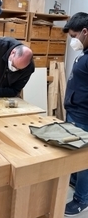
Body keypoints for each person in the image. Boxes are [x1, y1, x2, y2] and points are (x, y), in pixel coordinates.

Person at [63, 12, 88, 216]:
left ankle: (82, 199)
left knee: (85, 159)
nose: (72, 40)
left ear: (85, 32)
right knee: (75, 152)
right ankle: (74, 179)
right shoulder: (85, 53)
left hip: (84, 117)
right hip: (74, 113)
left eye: (73, 35)